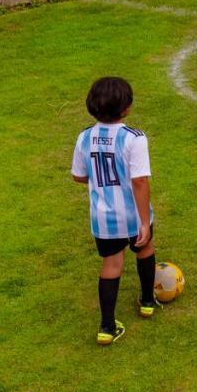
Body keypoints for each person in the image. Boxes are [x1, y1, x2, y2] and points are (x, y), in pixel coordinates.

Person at [71, 76, 158, 346]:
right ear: (127, 107)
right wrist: (144, 222)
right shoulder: (134, 138)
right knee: (145, 248)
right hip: (132, 214)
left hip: (103, 217)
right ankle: (146, 301)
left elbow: (79, 176)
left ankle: (107, 327)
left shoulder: (85, 137)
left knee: (112, 264)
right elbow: (140, 181)